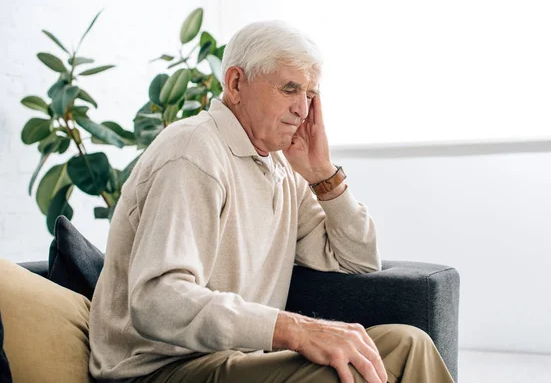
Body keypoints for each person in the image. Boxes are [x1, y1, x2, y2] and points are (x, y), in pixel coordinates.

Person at [89, 20, 455, 383]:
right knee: (340, 376)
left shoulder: (281, 166)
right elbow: (156, 302)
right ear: (235, 83)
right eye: (290, 88)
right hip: (159, 369)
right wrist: (296, 330)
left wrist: (323, 175)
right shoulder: (193, 153)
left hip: (232, 362)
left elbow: (358, 260)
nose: (303, 109)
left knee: (409, 344)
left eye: (310, 94)